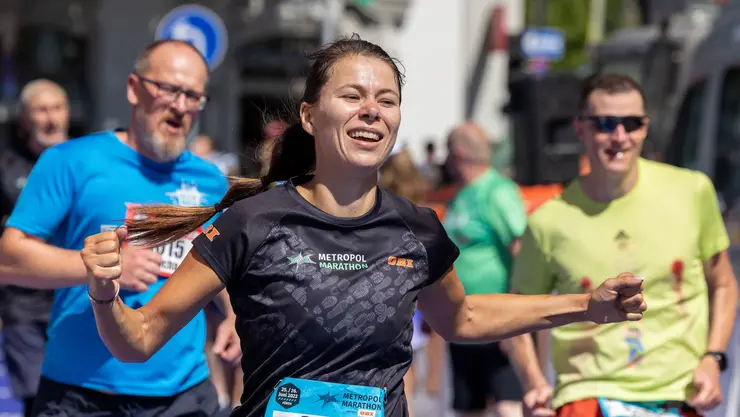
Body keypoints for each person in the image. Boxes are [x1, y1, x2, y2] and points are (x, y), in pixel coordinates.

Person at [80, 36, 647, 417]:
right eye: (351, 96)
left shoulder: (418, 230)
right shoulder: (252, 223)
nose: (372, 111)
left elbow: (465, 316)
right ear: (309, 116)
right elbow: (141, 338)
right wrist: (105, 295)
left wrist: (586, 306)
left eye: (387, 100)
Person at [0, 39, 239, 416]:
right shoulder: (70, 161)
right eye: (169, 89)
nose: (180, 105)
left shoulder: (210, 180)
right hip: (80, 394)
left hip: (184, 395)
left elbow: (219, 262)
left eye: (193, 96)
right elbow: (9, 259)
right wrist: (102, 268)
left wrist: (232, 316)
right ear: (134, 88)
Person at [506, 73, 738, 417]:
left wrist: (713, 358)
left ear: (645, 128)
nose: (620, 137)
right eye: (605, 124)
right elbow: (515, 316)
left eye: (631, 124)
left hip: (676, 395)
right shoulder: (548, 221)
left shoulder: (692, 192)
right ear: (580, 129)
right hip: (587, 396)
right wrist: (534, 384)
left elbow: (723, 284)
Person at [442, 121, 527, 417]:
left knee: (508, 405)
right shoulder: (460, 194)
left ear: (458, 153)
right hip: (460, 317)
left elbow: (522, 250)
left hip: (496, 317)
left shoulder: (498, 191)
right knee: (468, 406)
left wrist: (517, 316)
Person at [0, 79, 69, 417]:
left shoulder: (82, 163)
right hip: (23, 306)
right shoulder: (6, 167)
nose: (51, 118)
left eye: (57, 108)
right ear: (25, 118)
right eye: (42, 110)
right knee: (37, 400)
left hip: (76, 300)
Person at [379, 141, 444, 417]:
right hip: (413, 289)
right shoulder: (422, 212)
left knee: (398, 365)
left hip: (391, 289)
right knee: (410, 361)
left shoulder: (383, 205)